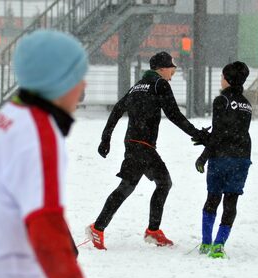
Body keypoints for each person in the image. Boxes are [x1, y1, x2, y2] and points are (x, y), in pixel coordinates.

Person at [0, 29, 88, 278]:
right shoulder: (38, 133)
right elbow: (47, 227)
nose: (84, 85)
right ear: (59, 82)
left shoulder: (13, 114)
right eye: (79, 77)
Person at [88, 51, 209, 250]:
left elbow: (117, 109)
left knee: (136, 185)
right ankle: (108, 228)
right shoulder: (159, 84)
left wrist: (105, 138)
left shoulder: (138, 86)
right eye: (172, 67)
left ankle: (113, 228)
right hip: (143, 146)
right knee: (156, 183)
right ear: (161, 69)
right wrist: (197, 134)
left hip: (134, 143)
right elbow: (174, 115)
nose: (174, 70)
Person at [195, 61, 252, 259]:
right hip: (242, 157)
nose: (220, 79)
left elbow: (219, 134)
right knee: (231, 202)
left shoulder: (221, 100)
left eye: (222, 76)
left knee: (212, 198)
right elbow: (235, 131)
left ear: (227, 79)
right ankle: (219, 245)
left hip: (221, 158)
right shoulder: (247, 104)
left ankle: (205, 242)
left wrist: (203, 155)